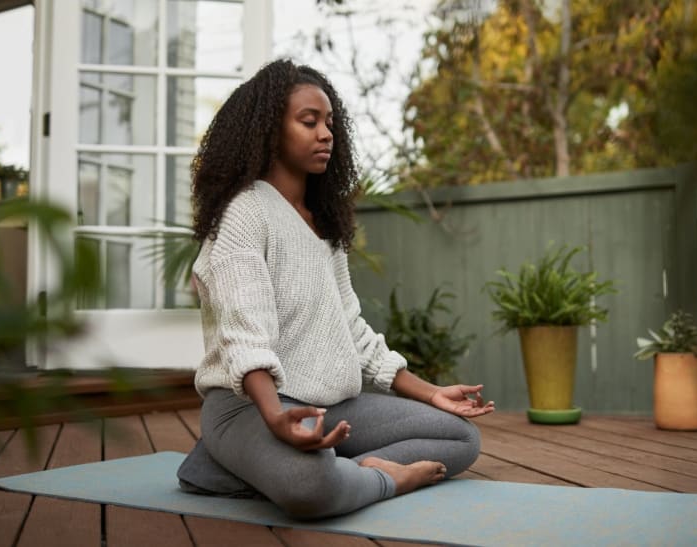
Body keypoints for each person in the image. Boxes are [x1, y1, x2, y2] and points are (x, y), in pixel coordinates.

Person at [177, 59, 495, 520]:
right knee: (312, 485)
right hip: (248, 407)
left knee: (460, 438)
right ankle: (377, 477)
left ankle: (244, 468)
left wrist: (431, 393)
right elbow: (243, 336)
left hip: (330, 404)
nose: (326, 133)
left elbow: (352, 331)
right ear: (269, 130)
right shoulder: (244, 213)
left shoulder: (322, 226)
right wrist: (275, 420)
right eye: (309, 122)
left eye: (329, 123)